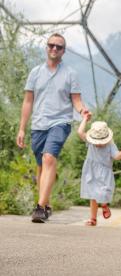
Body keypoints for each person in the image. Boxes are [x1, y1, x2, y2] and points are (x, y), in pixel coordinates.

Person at [16, 33, 90, 223]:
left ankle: (39, 208)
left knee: (49, 158)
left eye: (59, 47)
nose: (54, 49)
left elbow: (76, 100)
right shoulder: (35, 73)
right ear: (46, 47)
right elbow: (27, 102)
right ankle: (46, 203)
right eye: (51, 45)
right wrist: (22, 129)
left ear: (64, 51)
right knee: (42, 165)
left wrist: (82, 111)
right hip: (38, 124)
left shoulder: (70, 73)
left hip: (60, 122)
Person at [77, 117, 121, 226]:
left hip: (104, 172)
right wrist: (85, 119)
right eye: (96, 141)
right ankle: (93, 219)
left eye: (100, 141)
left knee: (103, 192)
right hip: (91, 170)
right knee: (93, 195)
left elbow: (116, 156)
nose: (98, 144)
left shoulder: (110, 146)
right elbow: (80, 132)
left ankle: (104, 204)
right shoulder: (90, 142)